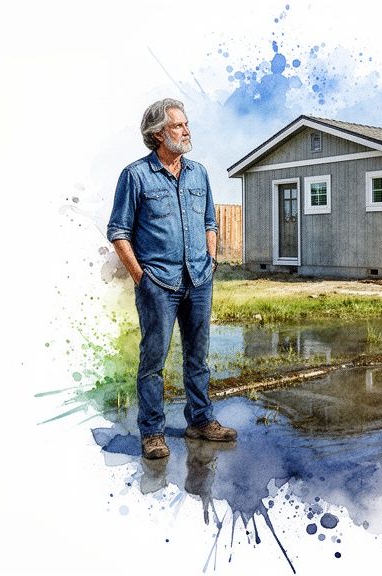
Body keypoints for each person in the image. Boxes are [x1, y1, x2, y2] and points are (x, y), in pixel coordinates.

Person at [107, 98, 236, 460]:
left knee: (198, 358)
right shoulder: (135, 176)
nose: (186, 130)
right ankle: (152, 433)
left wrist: (210, 260)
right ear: (159, 133)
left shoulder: (199, 173)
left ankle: (201, 420)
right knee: (153, 361)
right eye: (179, 125)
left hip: (198, 279)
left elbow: (210, 221)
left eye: (185, 124)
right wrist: (140, 277)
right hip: (158, 284)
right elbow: (119, 232)